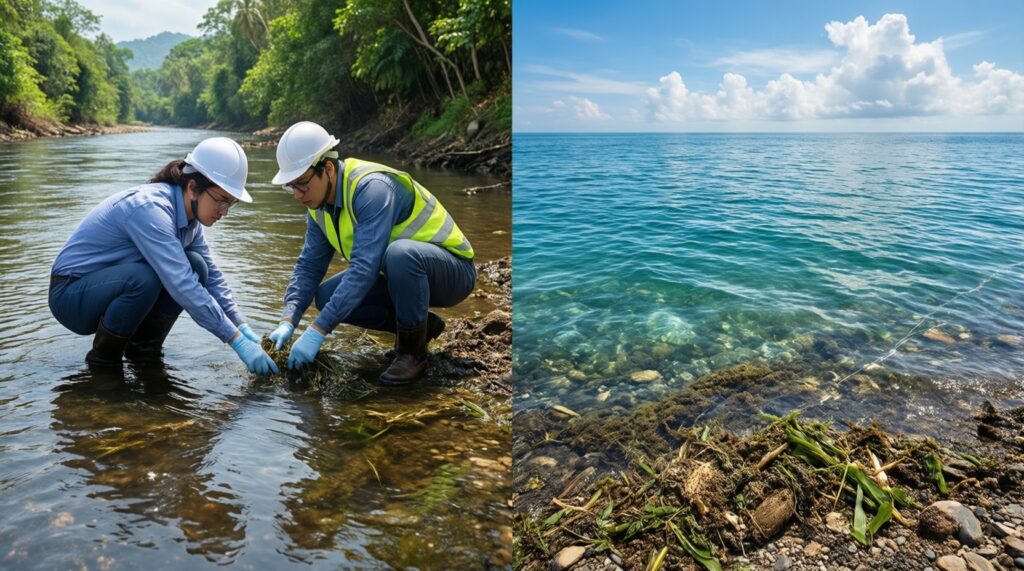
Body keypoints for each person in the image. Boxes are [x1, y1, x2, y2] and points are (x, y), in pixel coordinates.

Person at [266, 121, 476, 385]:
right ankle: (423, 327)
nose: (297, 194)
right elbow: (309, 267)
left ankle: (413, 353)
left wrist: (318, 330)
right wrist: (289, 319)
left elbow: (364, 269)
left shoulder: (372, 188)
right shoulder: (318, 208)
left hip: (452, 272)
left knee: (400, 254)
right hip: (403, 278)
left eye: (302, 184)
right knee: (326, 296)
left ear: (328, 168)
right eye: (290, 187)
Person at [49, 137, 278, 375]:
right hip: (70, 295)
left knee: (197, 266)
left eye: (231, 204)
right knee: (144, 278)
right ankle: (104, 361)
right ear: (192, 187)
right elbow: (182, 284)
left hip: (107, 287)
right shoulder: (151, 210)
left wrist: (240, 325)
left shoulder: (191, 223)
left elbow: (212, 279)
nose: (224, 212)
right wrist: (235, 340)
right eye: (221, 200)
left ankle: (143, 351)